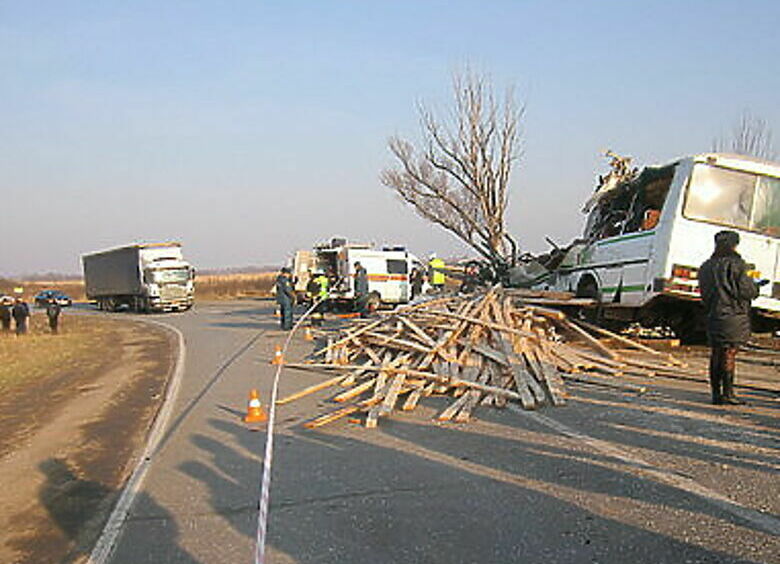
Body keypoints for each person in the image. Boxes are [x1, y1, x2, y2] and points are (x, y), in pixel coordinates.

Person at [698, 230, 765, 405]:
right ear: (734, 245)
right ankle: (728, 393)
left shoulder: (706, 266)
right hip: (734, 315)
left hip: (713, 313)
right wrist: (756, 287)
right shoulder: (738, 265)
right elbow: (747, 291)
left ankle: (716, 394)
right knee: (729, 353)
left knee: (716, 353)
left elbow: (704, 293)